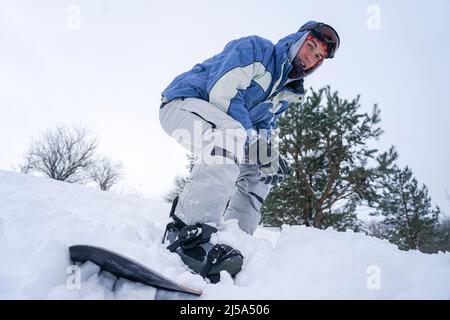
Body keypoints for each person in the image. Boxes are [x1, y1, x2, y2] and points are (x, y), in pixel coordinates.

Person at [159, 20, 340, 282]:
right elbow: (222, 90)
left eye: (318, 57)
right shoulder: (257, 50)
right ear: (296, 40)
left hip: (226, 126)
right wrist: (255, 142)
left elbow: (264, 125)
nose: (311, 58)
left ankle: (235, 240)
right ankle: (188, 232)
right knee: (233, 134)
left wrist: (267, 154)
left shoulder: (286, 92)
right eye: (310, 47)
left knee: (259, 170)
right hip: (182, 104)